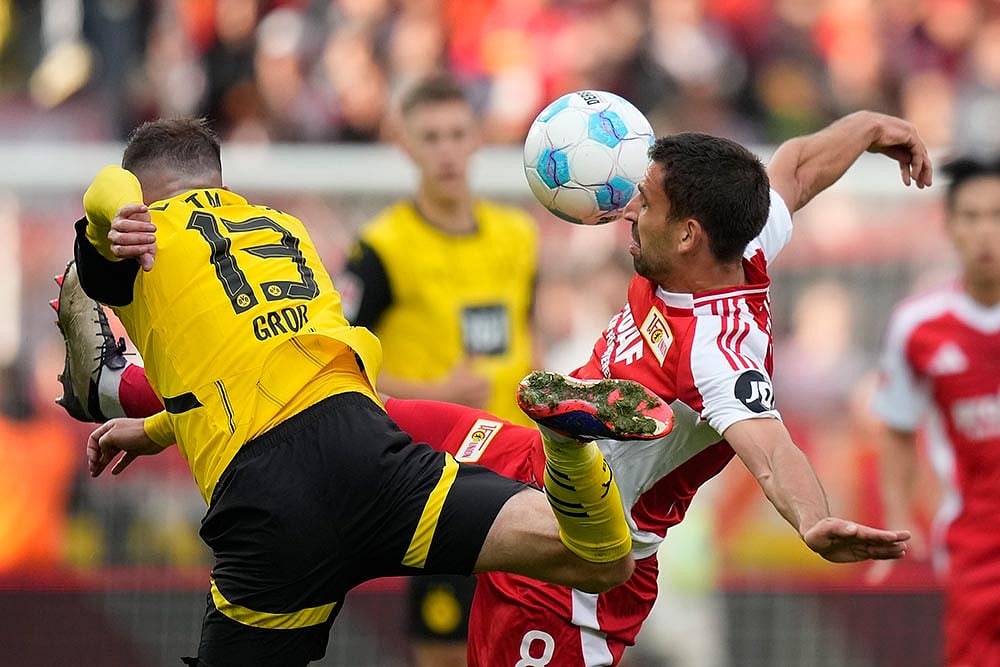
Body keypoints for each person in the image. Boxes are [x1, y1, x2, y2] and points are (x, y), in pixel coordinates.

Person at [59, 111, 922, 666]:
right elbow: (801, 162)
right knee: (338, 403)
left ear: (689, 231)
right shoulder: (747, 232)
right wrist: (875, 126)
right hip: (514, 454)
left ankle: (573, 445)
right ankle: (148, 404)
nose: (625, 209)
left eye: (644, 203)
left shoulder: (720, 353)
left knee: (580, 551)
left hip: (584, 573)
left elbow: (768, 445)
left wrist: (813, 519)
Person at [337, 73, 540, 666]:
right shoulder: (380, 249)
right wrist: (436, 392)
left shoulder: (518, 237)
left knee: (526, 644)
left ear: (478, 140)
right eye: (432, 137)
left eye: (457, 134)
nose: (447, 151)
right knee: (446, 653)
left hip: (520, 472)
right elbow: (339, 372)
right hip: (436, 481)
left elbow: (523, 340)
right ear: (406, 146)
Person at [870, 154, 1000, 667]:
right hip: (975, 544)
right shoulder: (919, 326)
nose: (986, 232)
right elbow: (897, 427)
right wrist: (901, 516)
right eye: (971, 216)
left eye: (997, 215)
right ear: (949, 225)